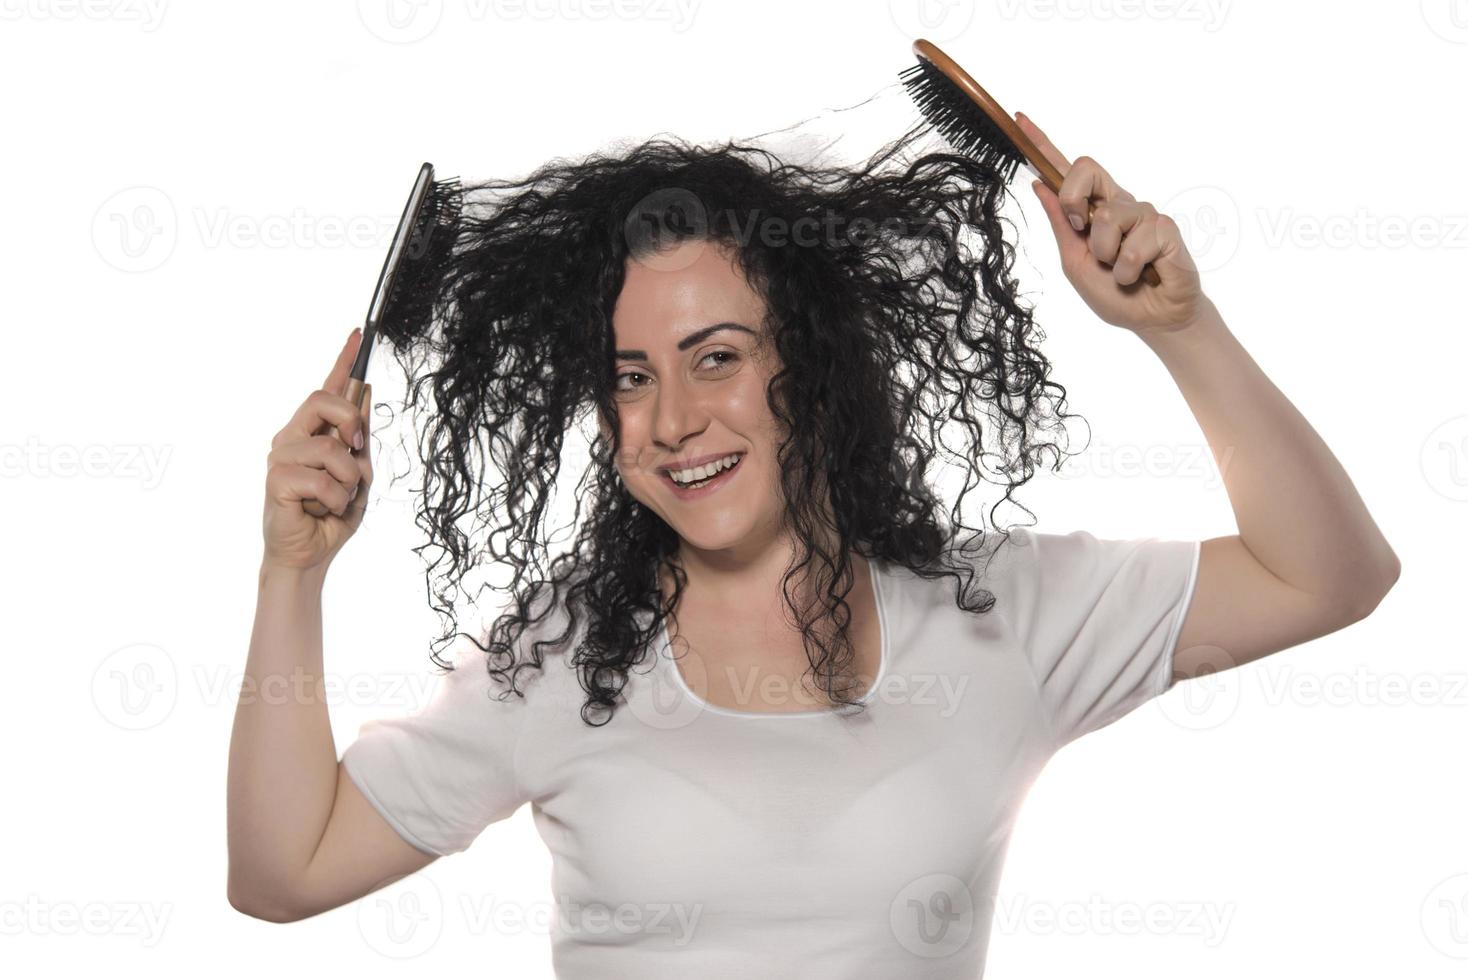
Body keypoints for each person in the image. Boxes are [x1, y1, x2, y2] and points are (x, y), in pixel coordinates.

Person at [226, 115, 1399, 977]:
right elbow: (283, 874)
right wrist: (294, 570)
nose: (675, 417)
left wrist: (1180, 328)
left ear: (809, 364)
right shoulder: (564, 653)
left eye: (718, 356)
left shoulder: (998, 611)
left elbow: (1329, 575)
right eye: (633, 377)